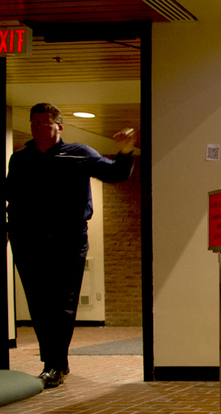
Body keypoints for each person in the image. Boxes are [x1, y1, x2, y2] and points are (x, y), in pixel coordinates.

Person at [5, 103, 136, 388]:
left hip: (69, 239)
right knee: (39, 303)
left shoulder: (78, 153)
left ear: (58, 126)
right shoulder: (21, 159)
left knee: (62, 304)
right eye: (34, 122)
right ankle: (54, 362)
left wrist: (125, 151)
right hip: (28, 240)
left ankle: (54, 364)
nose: (38, 127)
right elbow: (11, 197)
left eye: (44, 122)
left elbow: (115, 173)